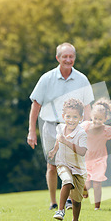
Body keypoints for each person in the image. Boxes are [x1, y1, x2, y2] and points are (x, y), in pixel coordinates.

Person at [27, 42, 94, 210]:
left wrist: (87, 127)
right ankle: (53, 202)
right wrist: (31, 132)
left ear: (75, 58)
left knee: (73, 164)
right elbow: (35, 105)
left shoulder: (82, 79)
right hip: (51, 126)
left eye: (71, 56)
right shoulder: (46, 78)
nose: (68, 59)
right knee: (52, 165)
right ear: (58, 58)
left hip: (74, 127)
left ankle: (71, 200)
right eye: (65, 56)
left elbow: (87, 107)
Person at [47, 98, 87, 221]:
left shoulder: (81, 133)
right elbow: (59, 140)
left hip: (78, 169)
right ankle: (61, 210)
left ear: (81, 117)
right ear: (63, 116)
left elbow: (82, 151)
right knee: (67, 181)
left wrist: (67, 142)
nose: (71, 120)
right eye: (68, 116)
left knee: (76, 200)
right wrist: (54, 151)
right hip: (62, 163)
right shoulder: (60, 128)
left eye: (75, 117)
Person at [81, 98, 111, 210]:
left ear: (105, 119)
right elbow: (76, 133)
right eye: (95, 118)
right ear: (91, 116)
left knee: (97, 183)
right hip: (86, 159)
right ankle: (85, 189)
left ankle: (97, 207)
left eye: (100, 119)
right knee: (86, 183)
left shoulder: (107, 130)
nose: (97, 121)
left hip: (99, 160)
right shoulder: (86, 126)